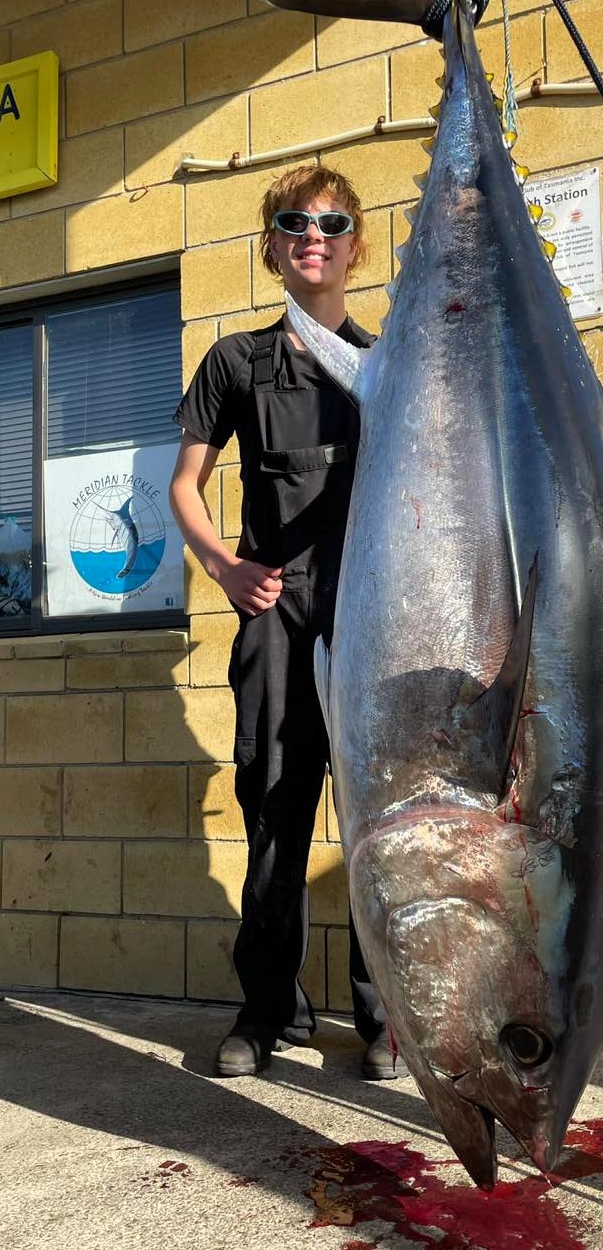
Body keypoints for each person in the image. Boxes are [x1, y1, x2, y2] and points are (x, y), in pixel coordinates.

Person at [169, 165, 406, 1081]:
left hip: (369, 618)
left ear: (355, 245)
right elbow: (184, 487)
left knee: (375, 816)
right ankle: (269, 1012)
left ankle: (383, 1017)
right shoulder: (233, 362)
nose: (314, 233)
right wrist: (226, 569)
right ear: (271, 246)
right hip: (274, 611)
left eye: (333, 221)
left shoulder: (385, 366)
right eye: (294, 222)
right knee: (274, 808)